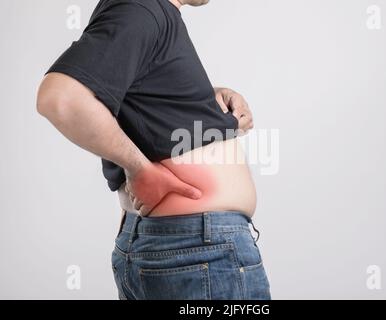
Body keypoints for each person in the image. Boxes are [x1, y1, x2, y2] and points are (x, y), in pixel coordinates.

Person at [37, 0, 271, 300]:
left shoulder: (146, 11)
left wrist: (204, 99)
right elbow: (60, 98)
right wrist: (139, 168)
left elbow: (133, 97)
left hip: (189, 250)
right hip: (197, 250)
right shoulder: (141, 7)